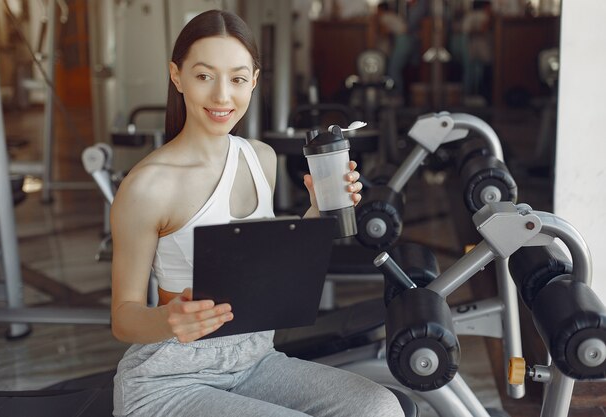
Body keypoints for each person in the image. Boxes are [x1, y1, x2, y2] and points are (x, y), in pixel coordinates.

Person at [110, 9, 404, 417]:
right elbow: (123, 319)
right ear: (176, 76)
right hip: (169, 380)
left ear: (254, 80)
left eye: (237, 78)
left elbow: (266, 267)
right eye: (203, 76)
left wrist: (318, 210)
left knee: (380, 407)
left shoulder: (259, 158)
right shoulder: (147, 186)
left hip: (254, 361)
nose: (222, 96)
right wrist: (167, 320)